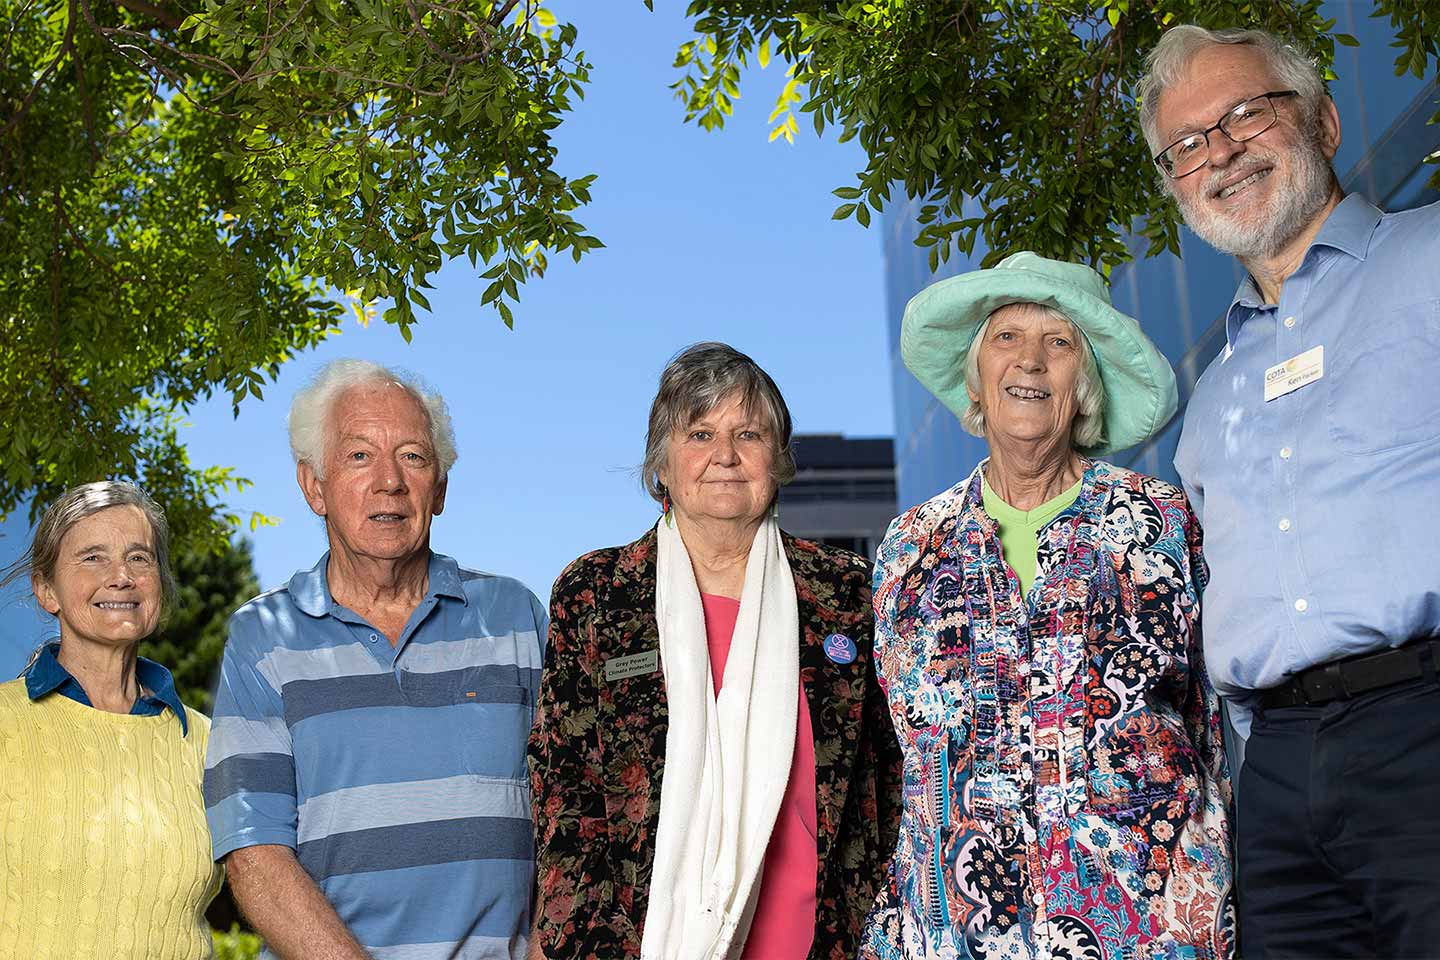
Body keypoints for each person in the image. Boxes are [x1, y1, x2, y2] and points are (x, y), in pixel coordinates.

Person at [1139, 24, 1440, 958]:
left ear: (1325, 119)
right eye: (1185, 146)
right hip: (1272, 780)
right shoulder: (1212, 400)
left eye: (1243, 115)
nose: (1218, 152)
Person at [860, 253, 1234, 960]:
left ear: (1083, 386)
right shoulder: (910, 547)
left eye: (1058, 344)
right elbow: (897, 753)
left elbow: (1209, 719)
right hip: (953, 933)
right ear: (977, 377)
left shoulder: (1156, 521)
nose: (1030, 362)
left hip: (1146, 925)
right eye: (1007, 339)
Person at [528, 342, 902, 960]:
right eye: (700, 434)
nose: (725, 456)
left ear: (777, 459)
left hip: (824, 942)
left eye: (748, 434)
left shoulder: (845, 592)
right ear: (662, 465)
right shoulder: (597, 593)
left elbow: (888, 784)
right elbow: (564, 791)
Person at [203, 359, 546, 959]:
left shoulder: (516, 617)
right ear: (314, 486)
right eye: (359, 455)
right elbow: (253, 852)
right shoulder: (263, 636)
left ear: (439, 488)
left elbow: (576, 816)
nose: (389, 480)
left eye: (412, 456)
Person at [0, 481, 222, 958]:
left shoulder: (208, 743)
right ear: (46, 589)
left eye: (140, 558)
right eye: (93, 557)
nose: (121, 576)